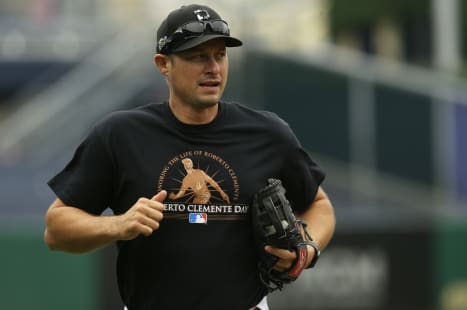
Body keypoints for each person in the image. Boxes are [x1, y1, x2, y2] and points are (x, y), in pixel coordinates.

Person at [44, 4, 335, 310]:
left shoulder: (267, 133)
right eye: (198, 56)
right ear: (163, 64)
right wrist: (118, 224)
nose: (213, 68)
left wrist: (307, 249)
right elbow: (56, 229)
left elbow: (319, 205)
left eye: (220, 55)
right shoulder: (120, 134)